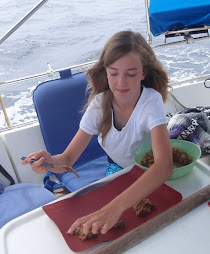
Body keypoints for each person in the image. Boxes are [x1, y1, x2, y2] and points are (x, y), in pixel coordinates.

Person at [22, 30, 173, 235]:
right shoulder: (99, 105)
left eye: (131, 74)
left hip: (150, 172)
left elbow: (164, 166)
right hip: (117, 169)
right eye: (114, 73)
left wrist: (115, 207)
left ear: (143, 73)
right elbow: (67, 159)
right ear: (105, 71)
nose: (121, 83)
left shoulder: (150, 101)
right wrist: (48, 162)